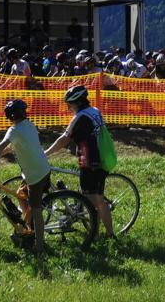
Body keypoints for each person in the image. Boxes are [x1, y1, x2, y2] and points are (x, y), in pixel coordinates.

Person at [0, 99, 51, 256]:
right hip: (41, 169)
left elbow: (3, 145)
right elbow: (14, 146)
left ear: (9, 116)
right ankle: (26, 227)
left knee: (36, 209)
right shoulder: (29, 125)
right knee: (21, 195)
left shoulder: (14, 130)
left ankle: (39, 246)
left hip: (34, 174)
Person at [44, 85, 115, 240]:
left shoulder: (80, 117)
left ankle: (94, 236)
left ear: (77, 102)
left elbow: (64, 139)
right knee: (99, 199)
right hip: (101, 159)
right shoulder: (95, 111)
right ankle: (109, 234)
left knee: (91, 201)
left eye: (69, 104)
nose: (68, 107)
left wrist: (46, 153)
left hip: (89, 161)